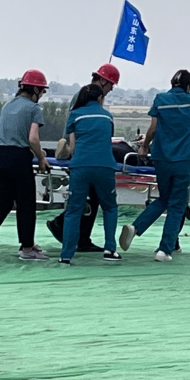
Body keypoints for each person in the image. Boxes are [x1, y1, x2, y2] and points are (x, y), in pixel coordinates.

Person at [119, 69, 190, 261]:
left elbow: (153, 128)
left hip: (162, 156)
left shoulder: (160, 99)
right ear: (189, 86)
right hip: (183, 158)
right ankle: (165, 250)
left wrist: (144, 146)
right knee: (177, 205)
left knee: (164, 198)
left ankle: (136, 227)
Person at [0, 69, 50, 261]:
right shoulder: (34, 109)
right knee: (26, 204)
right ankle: (27, 248)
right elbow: (33, 139)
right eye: (42, 91)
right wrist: (41, 157)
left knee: (3, 203)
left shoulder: (7, 105)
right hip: (19, 157)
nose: (42, 95)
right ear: (35, 89)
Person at [45, 63, 121, 251]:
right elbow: (72, 132)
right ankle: (73, 234)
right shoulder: (85, 98)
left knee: (87, 200)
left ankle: (75, 242)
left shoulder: (88, 99)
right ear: (102, 81)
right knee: (88, 200)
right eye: (111, 84)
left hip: (83, 158)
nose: (111, 89)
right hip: (85, 156)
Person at [58, 84, 121, 264]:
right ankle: (110, 249)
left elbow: (72, 144)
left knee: (73, 211)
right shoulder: (107, 117)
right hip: (105, 166)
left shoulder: (75, 115)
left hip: (80, 166)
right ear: (100, 98)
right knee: (110, 207)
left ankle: (66, 255)